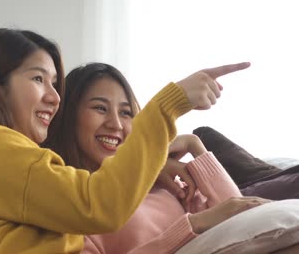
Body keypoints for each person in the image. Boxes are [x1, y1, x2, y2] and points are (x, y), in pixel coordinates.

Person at [0, 28, 250, 253]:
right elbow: (99, 205)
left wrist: (171, 155)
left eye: (55, 84)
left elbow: (244, 217)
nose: (53, 97)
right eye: (38, 79)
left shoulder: (2, 165)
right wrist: (167, 106)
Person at [43, 62, 299, 253]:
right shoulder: (72, 203)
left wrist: (194, 145)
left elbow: (244, 219)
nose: (116, 124)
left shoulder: (166, 182)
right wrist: (194, 225)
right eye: (100, 108)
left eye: (126, 112)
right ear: (67, 117)